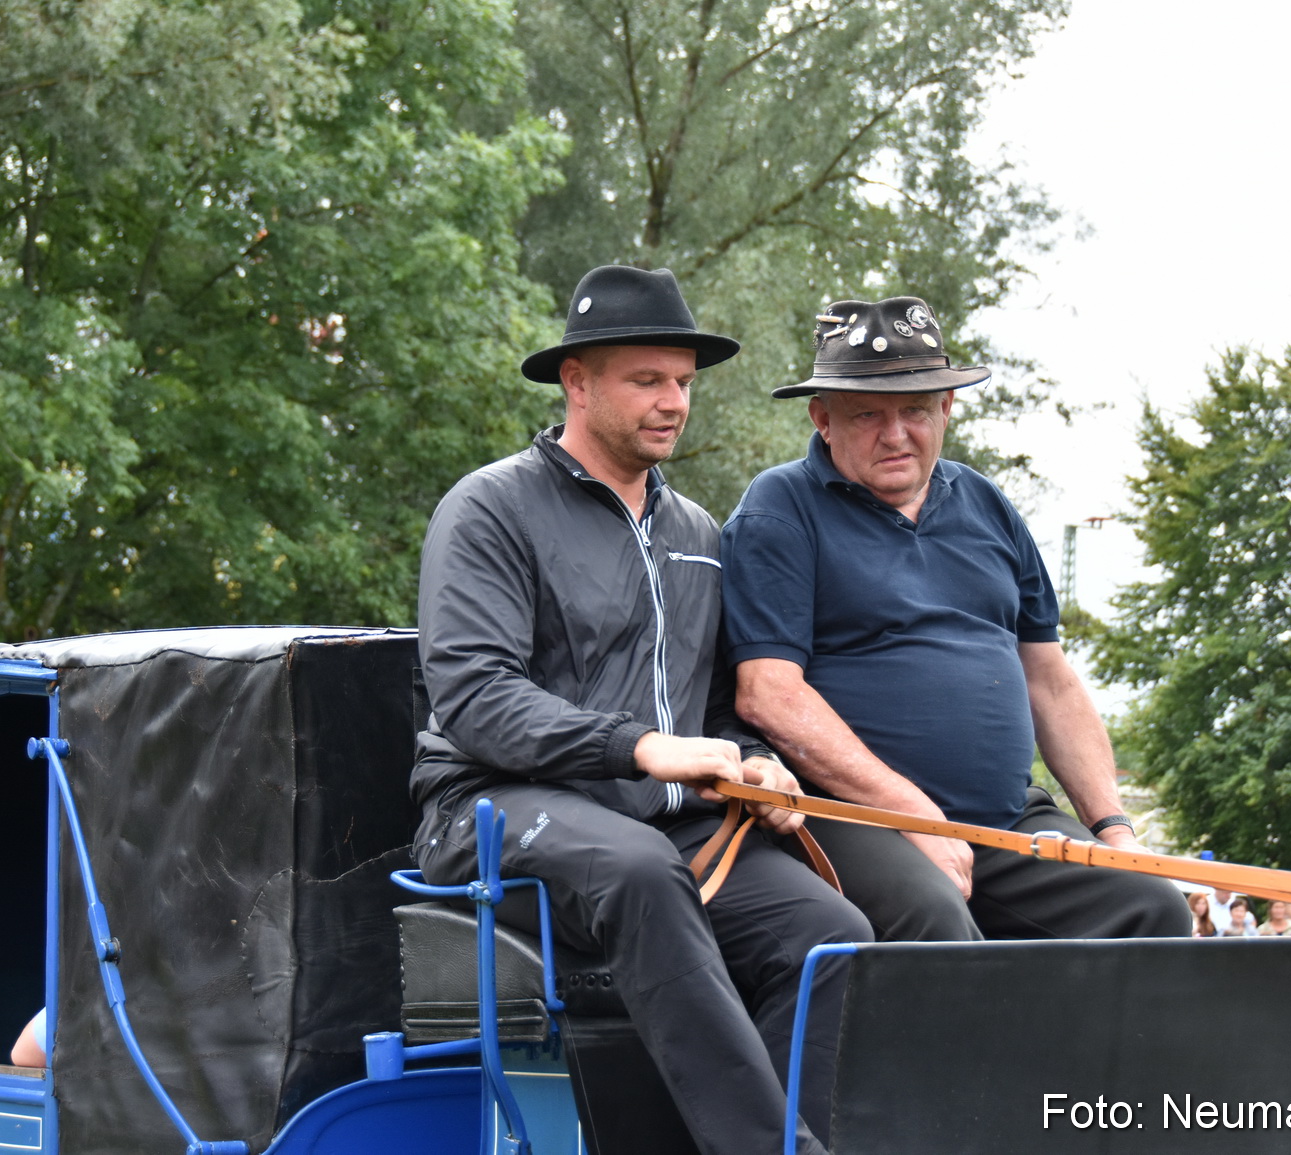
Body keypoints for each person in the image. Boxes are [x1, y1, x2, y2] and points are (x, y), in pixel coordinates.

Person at [411, 265, 871, 1155]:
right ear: (575, 380)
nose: (673, 402)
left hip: (666, 824)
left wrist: (750, 760)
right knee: (636, 869)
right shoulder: (489, 509)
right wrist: (644, 747)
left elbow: (703, 705)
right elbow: (475, 696)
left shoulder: (696, 532)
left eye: (685, 382)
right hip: (488, 803)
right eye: (646, 380)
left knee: (831, 932)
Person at [721, 295, 1188, 944]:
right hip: (853, 816)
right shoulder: (780, 509)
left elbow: (1049, 680)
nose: (895, 433)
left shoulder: (988, 505)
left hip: (1006, 818)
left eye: (914, 409)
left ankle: (1072, 1050)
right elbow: (769, 693)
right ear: (822, 417)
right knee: (934, 917)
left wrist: (1113, 826)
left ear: (946, 408)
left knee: (1152, 905)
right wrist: (915, 814)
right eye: (867, 414)